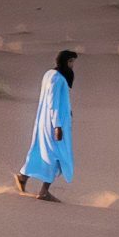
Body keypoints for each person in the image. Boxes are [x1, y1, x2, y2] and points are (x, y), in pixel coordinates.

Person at [17, 49, 78, 202]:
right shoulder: (57, 78)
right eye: (71, 61)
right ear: (64, 61)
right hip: (54, 124)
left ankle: (23, 177)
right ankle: (44, 192)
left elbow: (59, 100)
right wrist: (57, 126)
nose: (72, 65)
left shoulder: (50, 74)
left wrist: (68, 110)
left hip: (47, 121)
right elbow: (53, 103)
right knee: (58, 156)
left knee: (41, 152)